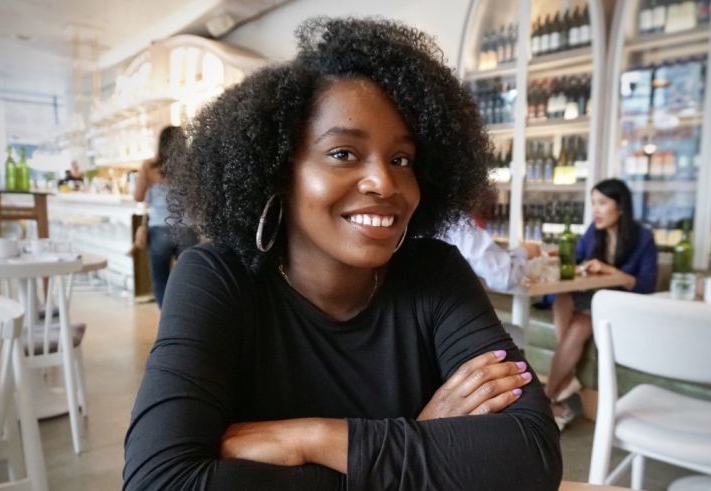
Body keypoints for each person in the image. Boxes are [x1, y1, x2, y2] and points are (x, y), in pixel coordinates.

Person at [124, 17, 561, 491]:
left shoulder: (433, 273)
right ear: (278, 169)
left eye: (401, 160)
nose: (384, 182)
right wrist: (422, 441)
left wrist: (311, 439)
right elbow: (159, 482)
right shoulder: (218, 278)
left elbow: (531, 455)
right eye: (343, 153)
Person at [546, 178, 658, 427]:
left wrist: (607, 270)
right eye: (593, 203)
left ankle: (546, 398)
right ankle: (568, 378)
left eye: (602, 203)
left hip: (622, 304)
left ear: (620, 207)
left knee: (577, 328)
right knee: (562, 297)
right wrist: (559, 257)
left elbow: (643, 286)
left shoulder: (643, 239)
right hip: (593, 299)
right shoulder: (593, 233)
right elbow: (575, 260)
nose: (595, 210)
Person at [132, 126, 198, 307]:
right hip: (187, 228)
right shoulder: (191, 166)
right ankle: (188, 318)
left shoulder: (149, 167)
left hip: (160, 228)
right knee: (189, 278)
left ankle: (167, 321)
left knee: (161, 279)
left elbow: (138, 196)